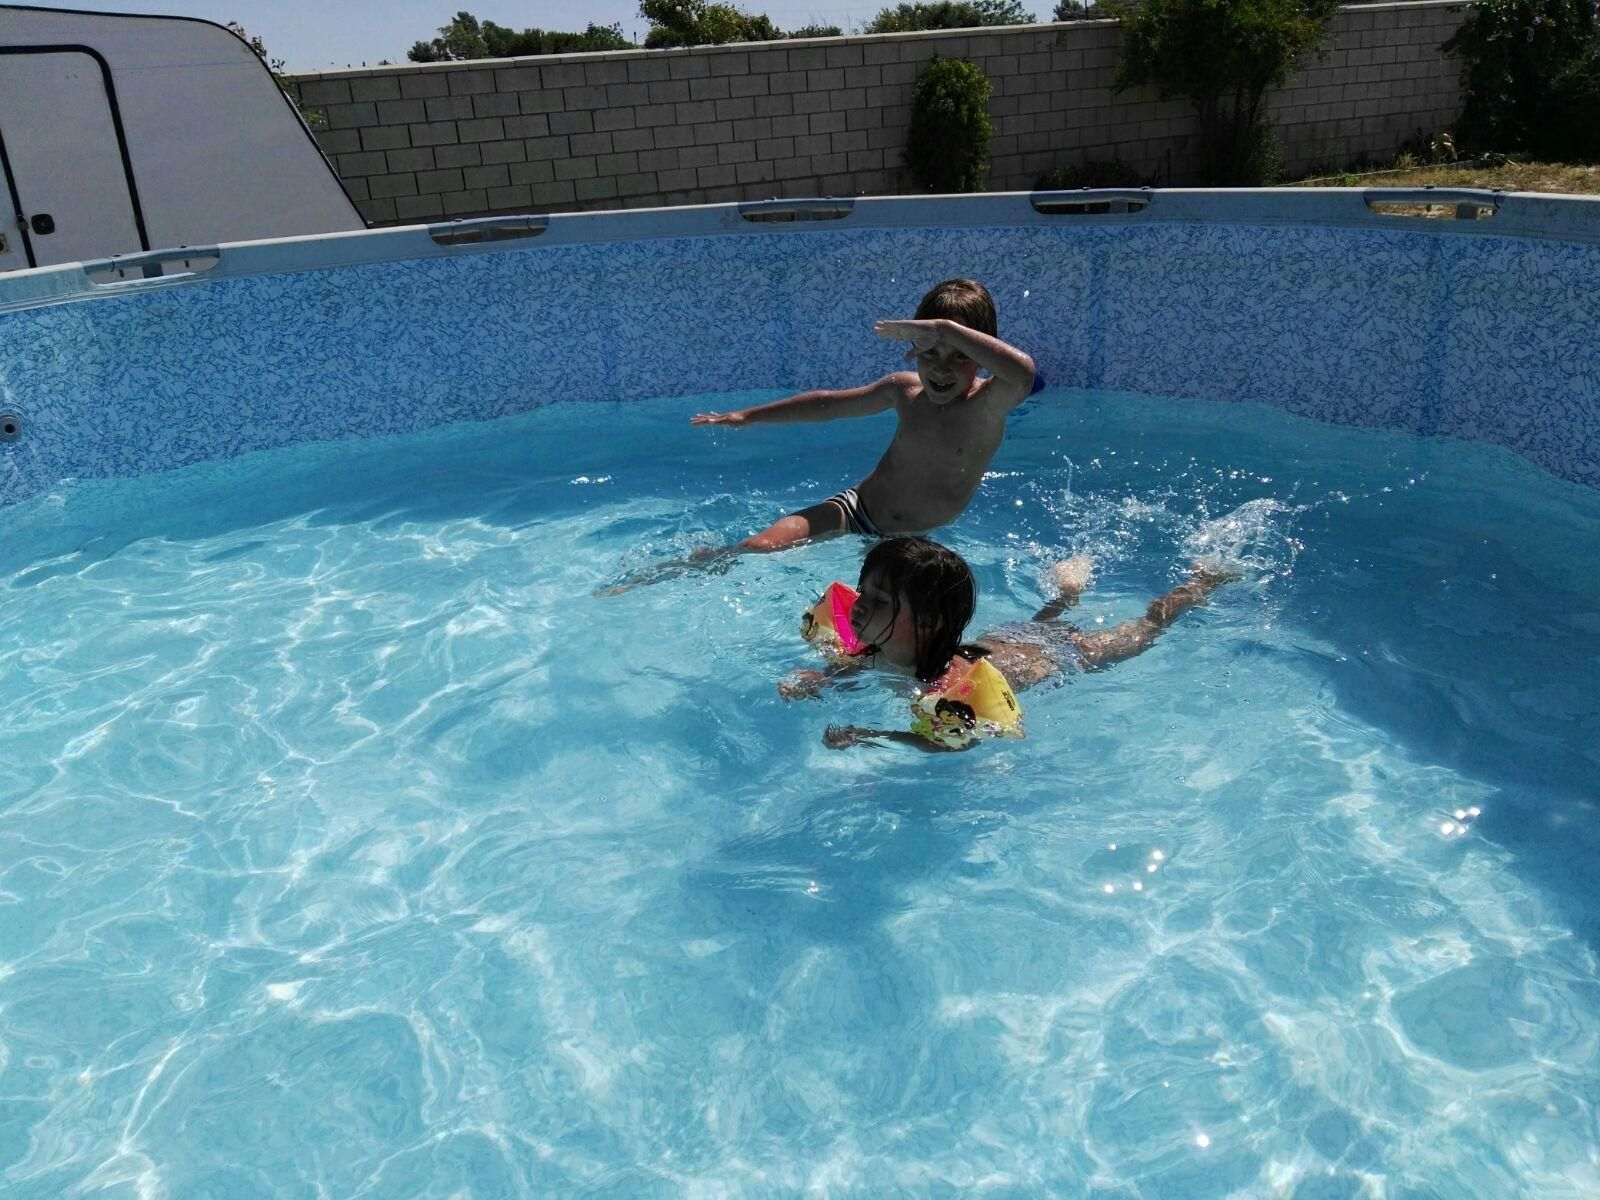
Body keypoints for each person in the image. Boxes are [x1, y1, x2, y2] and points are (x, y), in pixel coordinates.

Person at [597, 279, 1034, 594]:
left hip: (917, 546)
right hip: (856, 508)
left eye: (958, 356)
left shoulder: (988, 405)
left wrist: (943, 330)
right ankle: (671, 573)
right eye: (930, 351)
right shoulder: (905, 391)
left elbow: (1023, 371)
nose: (940, 367)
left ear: (979, 353)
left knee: (874, 624)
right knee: (759, 545)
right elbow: (828, 403)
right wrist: (749, 416)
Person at [789, 535, 1237, 751]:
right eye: (864, 593)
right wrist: (821, 679)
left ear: (926, 623)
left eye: (881, 601)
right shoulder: (871, 649)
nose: (860, 607)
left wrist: (873, 734)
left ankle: (1190, 591)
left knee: (1137, 636)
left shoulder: (945, 687)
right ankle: (1067, 594)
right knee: (1040, 620)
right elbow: (857, 666)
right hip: (1000, 641)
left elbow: (950, 742)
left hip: (1053, 658)